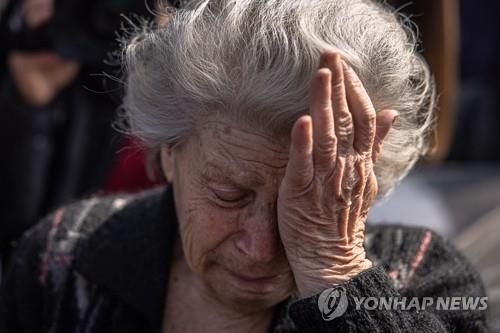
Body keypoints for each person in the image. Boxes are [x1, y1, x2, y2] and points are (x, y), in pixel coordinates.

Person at [0, 0, 489, 332]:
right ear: (169, 154)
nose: (260, 249)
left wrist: (335, 275)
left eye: (308, 204)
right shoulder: (62, 260)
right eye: (229, 194)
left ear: (360, 182)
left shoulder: (423, 278)